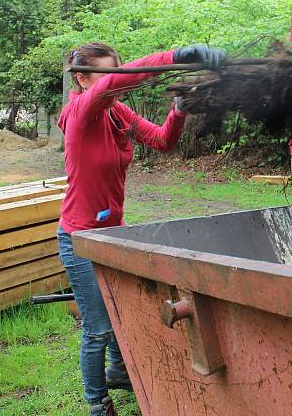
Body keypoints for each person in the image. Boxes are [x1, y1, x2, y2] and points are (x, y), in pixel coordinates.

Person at [57, 42, 224, 416]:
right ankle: (97, 402)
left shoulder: (117, 113)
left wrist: (178, 110)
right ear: (82, 79)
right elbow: (114, 85)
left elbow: (163, 140)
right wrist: (175, 57)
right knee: (98, 326)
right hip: (80, 238)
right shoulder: (80, 112)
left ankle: (118, 371)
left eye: (117, 70)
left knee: (119, 310)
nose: (115, 80)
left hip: (112, 232)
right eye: (105, 74)